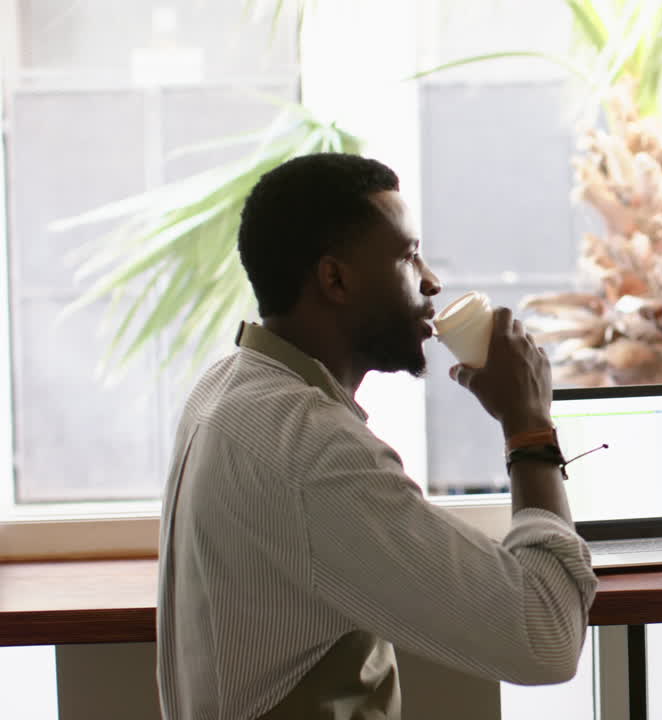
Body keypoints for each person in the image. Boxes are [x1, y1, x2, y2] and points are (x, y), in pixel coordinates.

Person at [156, 152, 596, 720]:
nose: (432, 281)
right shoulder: (311, 450)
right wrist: (529, 427)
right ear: (335, 278)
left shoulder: (226, 387)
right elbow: (548, 637)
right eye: (409, 257)